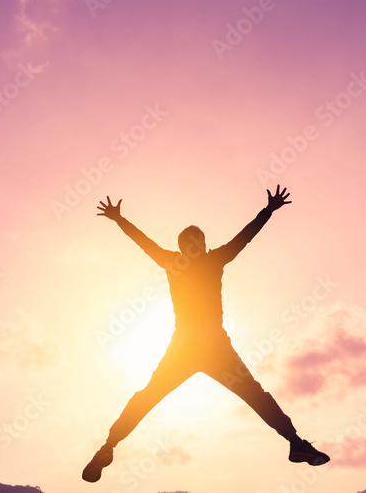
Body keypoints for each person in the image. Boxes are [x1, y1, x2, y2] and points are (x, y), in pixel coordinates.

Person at [82, 185, 329, 483]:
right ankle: (107, 448)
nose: (194, 246)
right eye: (189, 242)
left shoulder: (216, 259)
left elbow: (244, 238)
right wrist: (120, 220)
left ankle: (296, 444)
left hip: (215, 347)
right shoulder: (172, 262)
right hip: (184, 346)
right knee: (147, 397)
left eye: (198, 240)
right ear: (182, 247)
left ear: (204, 244)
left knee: (256, 396)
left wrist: (268, 211)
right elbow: (144, 243)